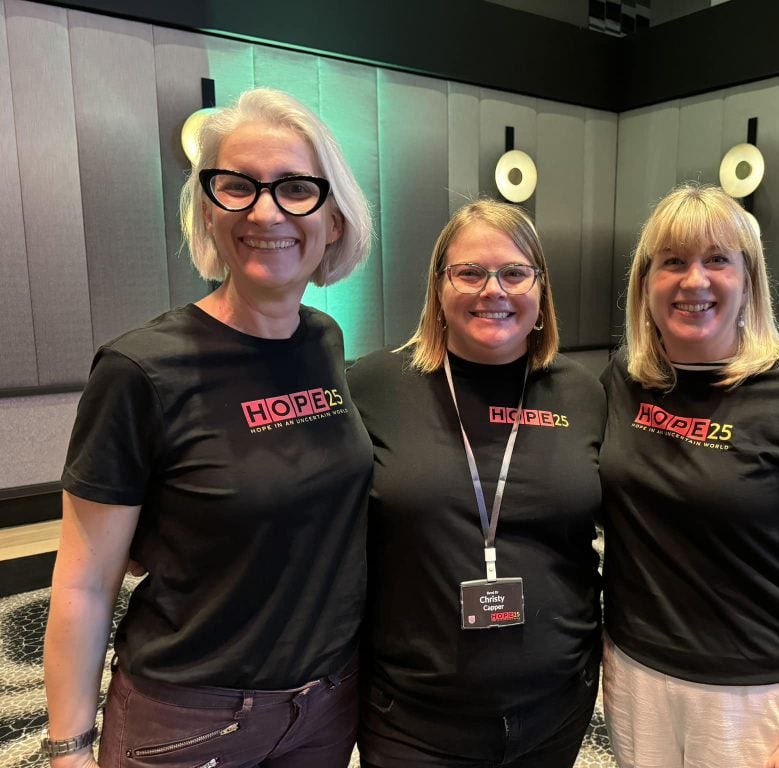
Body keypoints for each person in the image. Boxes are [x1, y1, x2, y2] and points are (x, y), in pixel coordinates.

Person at [42, 88, 373, 768]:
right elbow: (85, 579)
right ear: (208, 208)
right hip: (191, 717)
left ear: (334, 219)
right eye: (238, 187)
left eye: (295, 189)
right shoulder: (139, 370)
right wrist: (67, 746)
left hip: (325, 705)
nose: (265, 210)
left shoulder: (326, 341)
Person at [599, 183, 779, 768]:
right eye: (672, 261)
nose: (693, 281)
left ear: (749, 280)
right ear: (646, 283)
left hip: (754, 692)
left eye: (717, 260)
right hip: (633, 670)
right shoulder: (624, 380)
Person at [346, 200, 604, 768]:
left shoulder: (582, 394)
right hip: (415, 715)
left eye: (515, 272)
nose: (494, 289)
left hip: (556, 703)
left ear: (541, 290)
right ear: (439, 288)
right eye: (470, 273)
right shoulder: (374, 386)